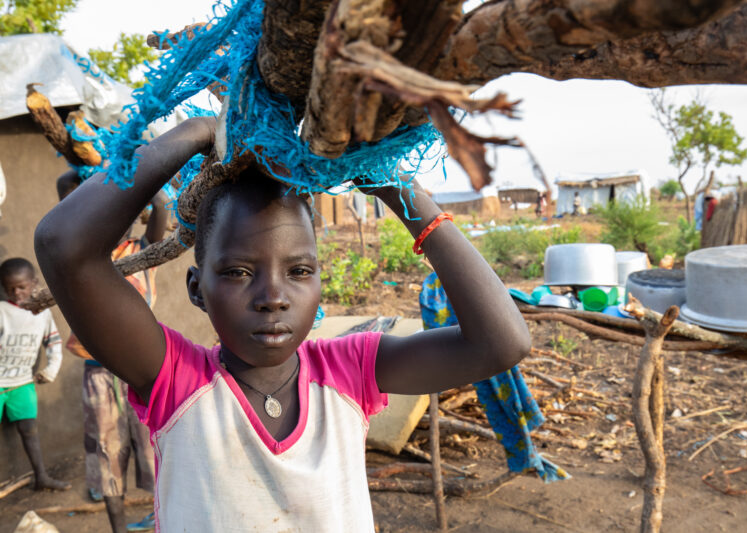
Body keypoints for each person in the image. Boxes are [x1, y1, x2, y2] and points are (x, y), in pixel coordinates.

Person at [34, 117, 531, 531]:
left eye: (298, 272)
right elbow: (63, 246)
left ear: (319, 284)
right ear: (195, 289)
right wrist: (196, 133)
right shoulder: (176, 382)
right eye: (237, 272)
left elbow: (500, 343)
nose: (273, 297)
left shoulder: (349, 370)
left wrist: (393, 184)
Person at [56, 170, 167, 533]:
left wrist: (129, 165)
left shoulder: (141, 249)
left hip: (142, 369)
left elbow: (161, 204)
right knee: (106, 452)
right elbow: (65, 188)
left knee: (153, 448)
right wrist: (94, 169)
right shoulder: (79, 249)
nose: (111, 219)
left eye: (120, 211)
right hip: (99, 371)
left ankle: (160, 518)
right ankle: (118, 527)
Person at [0, 258, 69, 491]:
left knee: (29, 430)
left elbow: (54, 344)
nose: (16, 292)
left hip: (22, 383)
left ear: (34, 283)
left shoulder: (42, 313)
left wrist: (51, 370)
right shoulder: (2, 311)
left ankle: (41, 477)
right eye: (10, 288)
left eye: (21, 287)